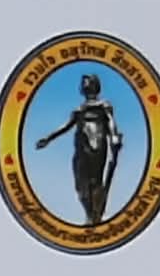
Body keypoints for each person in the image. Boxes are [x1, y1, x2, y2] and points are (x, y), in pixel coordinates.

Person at [34, 72, 122, 226]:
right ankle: (89, 213)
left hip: (97, 146)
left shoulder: (104, 106)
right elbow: (66, 127)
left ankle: (94, 216)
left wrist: (114, 136)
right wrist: (48, 138)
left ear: (95, 85)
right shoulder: (79, 110)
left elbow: (111, 122)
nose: (84, 86)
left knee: (95, 181)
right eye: (83, 84)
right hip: (81, 148)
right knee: (81, 185)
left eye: (87, 83)